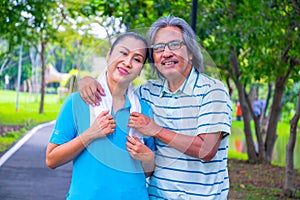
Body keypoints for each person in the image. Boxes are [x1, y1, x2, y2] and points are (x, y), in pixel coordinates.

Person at [80, 16, 232, 200]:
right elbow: (116, 89)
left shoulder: (213, 91)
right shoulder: (147, 92)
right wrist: (88, 81)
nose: (166, 53)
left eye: (174, 45)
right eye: (159, 48)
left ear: (190, 52)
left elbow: (206, 150)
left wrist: (157, 130)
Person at [46, 32, 156, 200]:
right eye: (123, 53)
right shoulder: (77, 102)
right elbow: (52, 159)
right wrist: (90, 134)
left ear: (141, 69)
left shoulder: (145, 111)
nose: (127, 62)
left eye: (137, 59)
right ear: (108, 55)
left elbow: (148, 171)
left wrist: (149, 158)